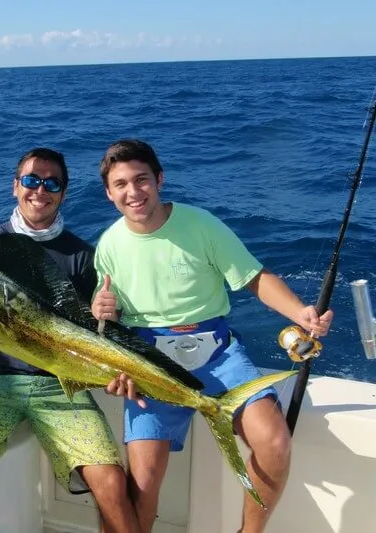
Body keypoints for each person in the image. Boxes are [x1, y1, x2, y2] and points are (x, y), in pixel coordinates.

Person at [90, 139, 334, 533]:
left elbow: (253, 277)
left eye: (141, 180)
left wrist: (299, 312)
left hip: (219, 353)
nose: (133, 192)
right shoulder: (108, 246)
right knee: (141, 485)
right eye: (121, 184)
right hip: (152, 362)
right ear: (108, 193)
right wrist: (103, 316)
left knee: (273, 443)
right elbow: (109, 321)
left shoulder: (201, 224)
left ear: (159, 180)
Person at [0, 147, 140, 533]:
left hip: (62, 385)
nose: (39, 190)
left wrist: (107, 318)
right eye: (31, 180)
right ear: (15, 187)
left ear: (62, 193)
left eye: (51, 183)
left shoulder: (81, 256)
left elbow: (99, 334)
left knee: (111, 483)